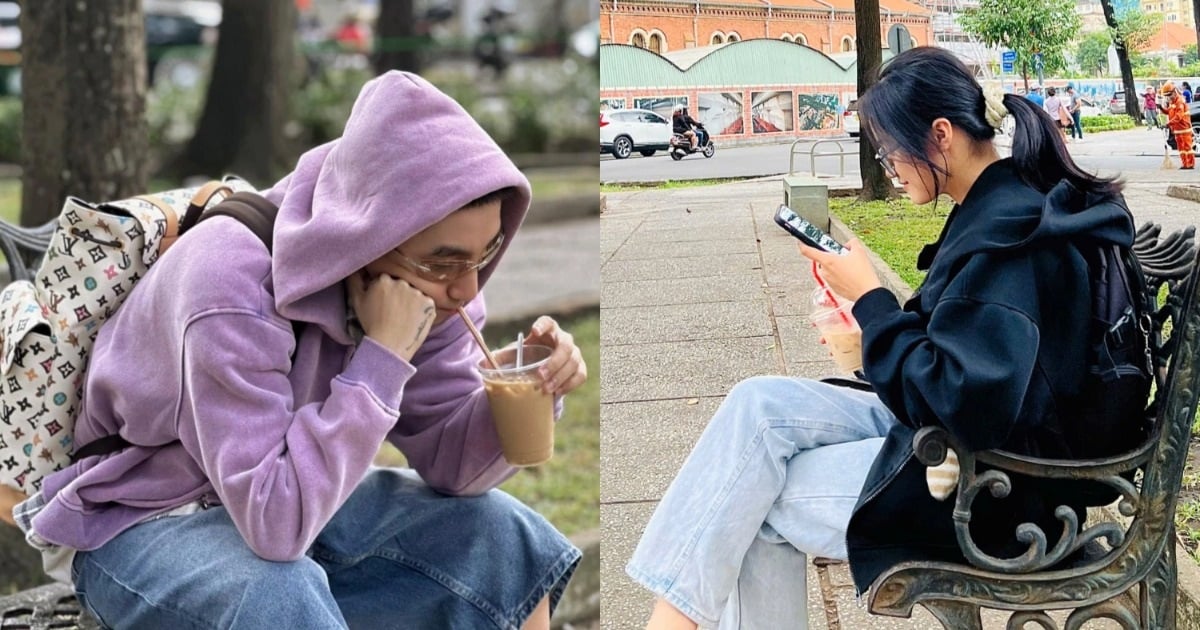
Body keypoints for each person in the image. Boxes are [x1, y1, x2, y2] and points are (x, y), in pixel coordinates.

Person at [10, 71, 586, 629]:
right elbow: (275, 524)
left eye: (484, 254)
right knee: (280, 597)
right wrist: (381, 360)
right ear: (367, 231)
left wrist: (529, 391)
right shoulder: (227, 281)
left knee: (505, 539)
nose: (466, 288)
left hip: (292, 505)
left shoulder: (434, 288)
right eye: (444, 262)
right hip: (139, 517)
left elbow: (454, 467)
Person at [626, 45, 1137, 629]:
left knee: (749, 500)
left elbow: (963, 398)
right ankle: (670, 619)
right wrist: (864, 316)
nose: (887, 163)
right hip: (971, 445)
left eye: (891, 147)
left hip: (996, 490)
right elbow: (964, 350)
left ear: (939, 134)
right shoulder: (1005, 203)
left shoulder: (1007, 233)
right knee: (757, 405)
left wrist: (873, 303)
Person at [1163, 81, 1195, 169]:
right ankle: (1185, 164)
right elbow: (1168, 112)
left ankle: (1190, 164)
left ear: (1174, 92)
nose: (1168, 97)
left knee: (1187, 148)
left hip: (1184, 129)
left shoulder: (1180, 101)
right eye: (1166, 96)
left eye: (1169, 95)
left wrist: (1168, 123)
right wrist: (1161, 108)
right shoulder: (1172, 102)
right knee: (1181, 149)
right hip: (1177, 130)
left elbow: (1179, 116)